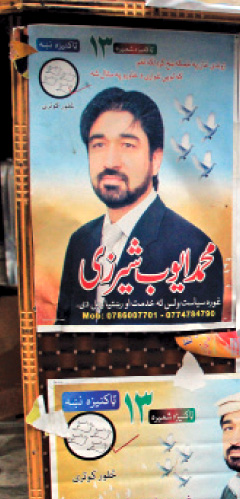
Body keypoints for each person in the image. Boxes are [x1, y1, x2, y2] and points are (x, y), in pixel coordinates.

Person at [56, 87, 224, 325]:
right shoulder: (80, 241)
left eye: (127, 145)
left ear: (155, 159)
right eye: (99, 145)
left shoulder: (194, 250)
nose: (110, 161)